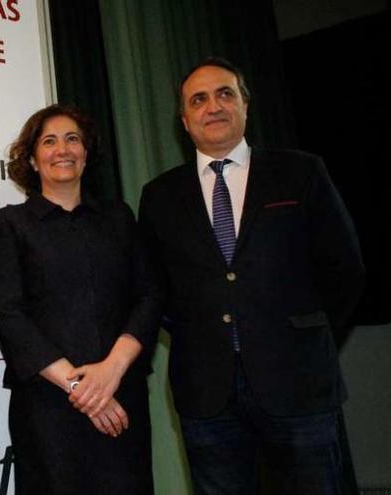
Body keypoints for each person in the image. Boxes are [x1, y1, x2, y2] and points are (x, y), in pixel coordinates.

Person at [138, 57, 365, 494]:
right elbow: (155, 288)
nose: (213, 107)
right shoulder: (160, 195)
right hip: (206, 392)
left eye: (225, 93)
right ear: (185, 121)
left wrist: (303, 331)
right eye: (198, 100)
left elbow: (344, 270)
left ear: (245, 105)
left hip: (298, 383)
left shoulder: (300, 172)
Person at [0, 104, 162, 494]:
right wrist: (83, 390)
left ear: (86, 152)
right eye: (49, 141)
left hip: (122, 400)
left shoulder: (119, 217)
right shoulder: (9, 224)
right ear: (31, 159)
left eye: (72, 139)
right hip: (48, 409)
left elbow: (148, 297)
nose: (62, 149)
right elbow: (9, 315)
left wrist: (112, 371)